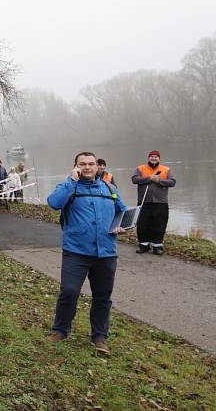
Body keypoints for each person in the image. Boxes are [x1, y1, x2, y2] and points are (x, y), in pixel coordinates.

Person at [47, 152, 127, 354]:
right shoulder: (68, 187)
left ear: (97, 166)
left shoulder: (109, 188)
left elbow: (123, 213)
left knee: (102, 297)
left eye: (91, 164)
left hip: (106, 253)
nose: (87, 167)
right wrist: (71, 182)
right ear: (75, 167)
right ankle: (60, 330)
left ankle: (99, 337)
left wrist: (123, 226)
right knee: (69, 292)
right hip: (77, 252)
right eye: (82, 164)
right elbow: (54, 203)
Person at [132, 151, 176, 255]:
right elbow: (134, 179)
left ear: (159, 159)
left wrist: (158, 180)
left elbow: (172, 182)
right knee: (143, 224)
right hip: (144, 201)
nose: (154, 158)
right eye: (152, 157)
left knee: (159, 224)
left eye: (156, 157)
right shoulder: (140, 168)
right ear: (148, 158)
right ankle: (143, 245)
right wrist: (149, 178)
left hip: (161, 202)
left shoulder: (166, 169)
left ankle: (157, 246)